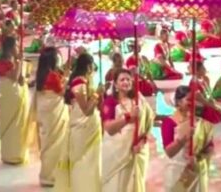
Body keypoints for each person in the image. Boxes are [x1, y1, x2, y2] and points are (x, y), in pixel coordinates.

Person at [54, 53, 102, 191]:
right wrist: (97, 93)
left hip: (89, 126)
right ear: (88, 66)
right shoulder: (79, 82)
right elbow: (86, 110)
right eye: (92, 65)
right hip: (83, 125)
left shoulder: (84, 81)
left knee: (91, 160)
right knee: (83, 161)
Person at [101, 69, 152, 192]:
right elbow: (109, 128)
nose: (126, 82)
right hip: (116, 154)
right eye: (122, 80)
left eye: (128, 79)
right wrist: (128, 117)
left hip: (136, 151)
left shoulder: (139, 101)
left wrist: (142, 142)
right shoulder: (110, 102)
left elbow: (148, 124)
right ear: (116, 84)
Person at [161, 85, 214, 191]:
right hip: (177, 173)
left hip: (195, 169)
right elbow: (169, 152)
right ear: (179, 102)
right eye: (189, 100)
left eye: (195, 100)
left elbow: (209, 146)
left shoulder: (200, 122)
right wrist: (183, 139)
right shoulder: (169, 123)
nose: (193, 103)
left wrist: (198, 158)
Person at [0, 35, 30, 165]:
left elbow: (20, 79)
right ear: (10, 47)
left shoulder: (14, 61)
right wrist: (19, 62)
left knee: (19, 124)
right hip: (8, 94)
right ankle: (10, 155)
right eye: (16, 45)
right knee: (10, 122)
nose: (18, 48)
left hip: (17, 93)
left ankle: (19, 153)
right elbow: (14, 77)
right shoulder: (1, 63)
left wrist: (22, 69)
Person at [34, 47, 68, 188]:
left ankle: (45, 175)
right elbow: (61, 92)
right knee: (55, 142)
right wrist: (66, 80)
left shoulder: (40, 74)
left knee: (47, 141)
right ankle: (51, 176)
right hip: (54, 112)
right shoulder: (53, 76)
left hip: (44, 111)